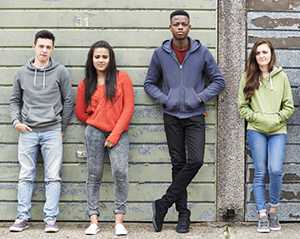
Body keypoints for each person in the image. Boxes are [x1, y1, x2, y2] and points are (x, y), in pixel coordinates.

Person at [144, 9, 225, 233]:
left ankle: (163, 203)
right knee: (178, 165)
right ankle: (183, 215)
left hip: (195, 116)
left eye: (184, 24)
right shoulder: (161, 54)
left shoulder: (201, 53)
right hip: (171, 117)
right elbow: (149, 84)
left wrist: (199, 97)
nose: (180, 27)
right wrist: (166, 99)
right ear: (170, 27)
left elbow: (218, 81)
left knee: (196, 160)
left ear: (190, 27)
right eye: (176, 24)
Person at [9, 30, 73, 233]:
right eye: (41, 46)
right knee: (26, 175)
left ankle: (50, 220)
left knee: (53, 176)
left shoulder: (60, 71)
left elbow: (69, 100)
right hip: (27, 130)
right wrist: (15, 121)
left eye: (48, 47)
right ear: (34, 46)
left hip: (52, 131)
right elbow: (14, 100)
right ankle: (22, 218)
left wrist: (61, 128)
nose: (44, 50)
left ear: (52, 48)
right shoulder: (21, 73)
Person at [75, 40, 134, 236]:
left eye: (105, 57)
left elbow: (128, 109)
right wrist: (95, 123)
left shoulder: (122, 78)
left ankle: (119, 220)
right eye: (97, 57)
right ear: (91, 59)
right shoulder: (86, 83)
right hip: (94, 133)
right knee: (94, 174)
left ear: (111, 59)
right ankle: (93, 220)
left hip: (119, 133)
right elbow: (80, 113)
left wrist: (115, 134)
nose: (101, 60)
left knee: (120, 172)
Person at [238, 39, 294, 233]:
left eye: (265, 52)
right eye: (258, 53)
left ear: (271, 54)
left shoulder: (282, 77)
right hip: (256, 131)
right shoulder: (247, 76)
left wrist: (277, 118)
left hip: (278, 130)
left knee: (276, 170)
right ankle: (262, 215)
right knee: (260, 171)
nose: (262, 56)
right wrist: (258, 118)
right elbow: (242, 107)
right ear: (254, 56)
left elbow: (289, 106)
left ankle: (273, 210)